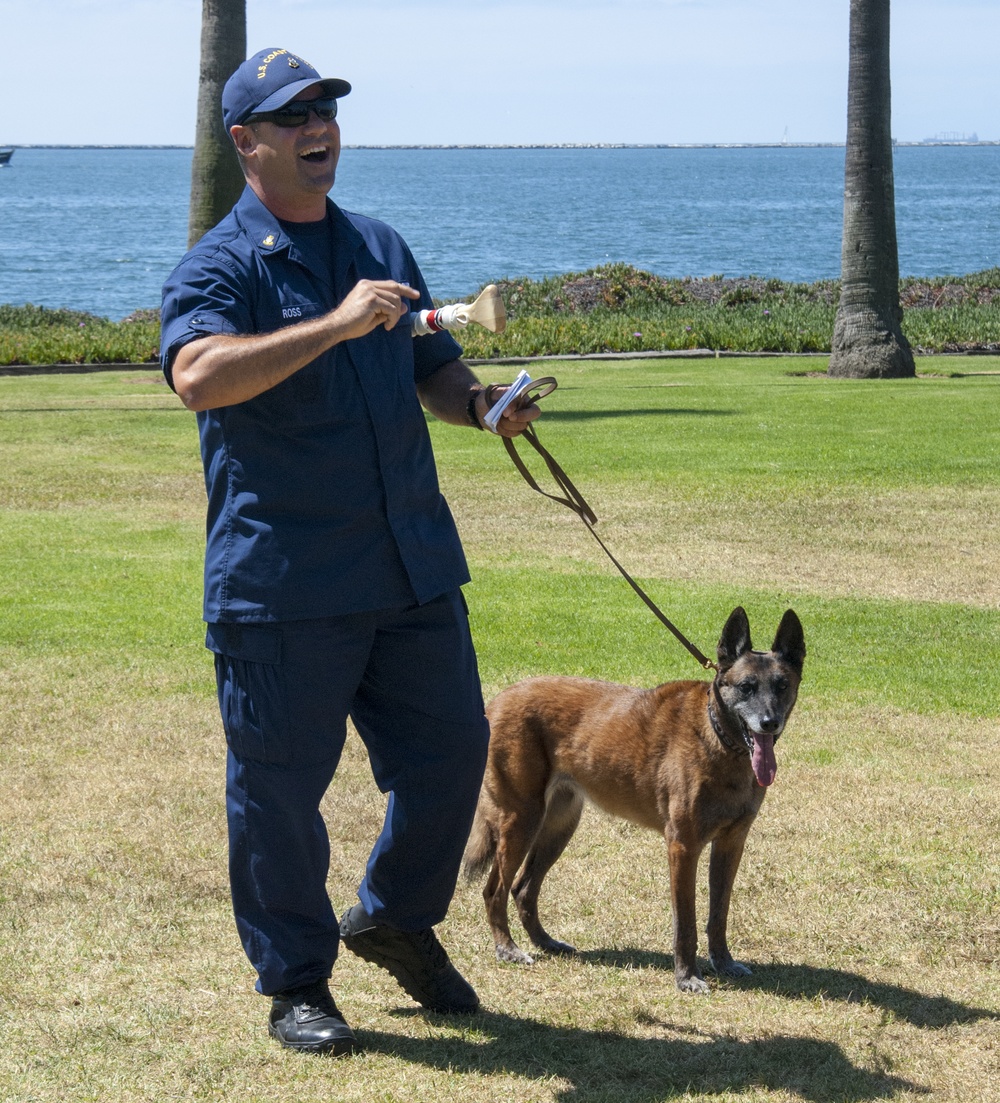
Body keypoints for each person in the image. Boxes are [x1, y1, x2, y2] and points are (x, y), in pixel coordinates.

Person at [159, 47, 540, 1057]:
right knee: (278, 789)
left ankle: (394, 918)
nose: (317, 127)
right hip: (285, 581)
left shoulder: (378, 243)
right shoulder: (218, 267)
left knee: (453, 752)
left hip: (409, 563)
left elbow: (432, 366)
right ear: (247, 143)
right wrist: (330, 325)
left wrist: (482, 407)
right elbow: (198, 377)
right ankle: (296, 982)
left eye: (325, 109)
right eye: (292, 117)